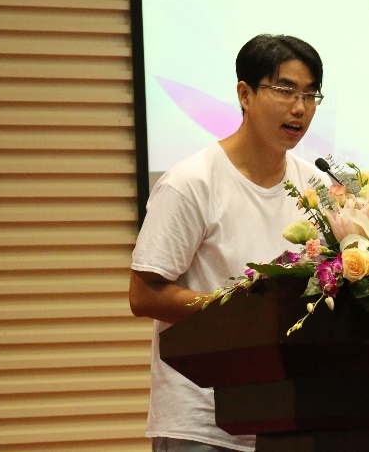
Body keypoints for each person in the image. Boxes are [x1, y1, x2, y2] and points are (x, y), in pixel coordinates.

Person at [129, 34, 326, 452]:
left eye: (310, 95)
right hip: (203, 422)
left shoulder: (317, 186)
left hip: (289, 418)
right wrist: (242, 312)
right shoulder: (191, 183)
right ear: (245, 94)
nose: (300, 107)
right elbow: (144, 295)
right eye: (285, 90)